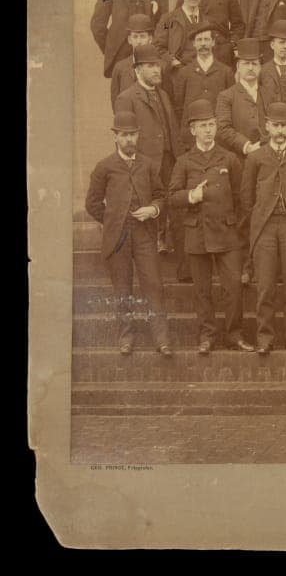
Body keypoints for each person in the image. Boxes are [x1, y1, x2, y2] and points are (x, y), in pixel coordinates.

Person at [168, 99, 251, 354]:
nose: (208, 130)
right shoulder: (183, 161)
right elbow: (171, 197)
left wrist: (236, 227)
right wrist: (191, 196)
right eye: (203, 126)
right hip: (197, 234)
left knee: (233, 288)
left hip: (227, 234)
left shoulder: (230, 159)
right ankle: (207, 336)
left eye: (212, 125)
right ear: (192, 130)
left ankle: (234, 335)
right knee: (202, 291)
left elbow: (242, 198)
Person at [85, 111, 170, 356]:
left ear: (138, 136)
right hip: (118, 237)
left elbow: (161, 196)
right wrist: (113, 220)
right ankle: (126, 338)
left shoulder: (148, 165)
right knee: (122, 289)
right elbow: (92, 204)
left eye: (133, 135)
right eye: (124, 135)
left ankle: (161, 339)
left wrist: (153, 209)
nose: (129, 140)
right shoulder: (104, 167)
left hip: (144, 234)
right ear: (116, 137)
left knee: (154, 285)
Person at [241, 102, 286, 353]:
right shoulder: (255, 157)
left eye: (284, 125)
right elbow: (247, 197)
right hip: (265, 227)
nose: (280, 131)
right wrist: (257, 222)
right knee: (265, 286)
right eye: (275, 126)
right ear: (267, 126)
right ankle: (265, 337)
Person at [113, 45, 179, 257]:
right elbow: (125, 136)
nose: (156, 71)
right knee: (146, 205)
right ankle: (148, 247)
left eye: (158, 66)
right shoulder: (127, 97)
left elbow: (172, 129)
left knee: (170, 201)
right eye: (150, 66)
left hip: (169, 159)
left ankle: (167, 241)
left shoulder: (163, 95)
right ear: (138, 70)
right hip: (145, 161)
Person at [170, 24, 235, 149]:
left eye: (206, 39)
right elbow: (178, 107)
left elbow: (231, 107)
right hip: (191, 140)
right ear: (193, 44)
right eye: (199, 40)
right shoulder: (184, 73)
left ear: (213, 42)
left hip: (219, 139)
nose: (203, 44)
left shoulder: (226, 72)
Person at [215, 40, 267, 158]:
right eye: (246, 63)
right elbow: (223, 128)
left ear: (260, 67)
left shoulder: (269, 94)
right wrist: (247, 146)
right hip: (239, 158)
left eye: (254, 63)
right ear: (238, 66)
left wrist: (264, 145)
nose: (250, 67)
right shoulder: (226, 96)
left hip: (266, 157)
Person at [154, 0, 208, 74]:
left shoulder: (207, 20)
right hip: (177, 72)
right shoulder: (168, 20)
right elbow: (158, 47)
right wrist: (173, 62)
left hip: (202, 73)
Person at [107, 13, 157, 107]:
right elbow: (115, 101)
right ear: (129, 40)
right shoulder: (120, 68)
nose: (139, 41)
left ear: (150, 39)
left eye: (142, 36)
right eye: (135, 37)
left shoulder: (160, 67)